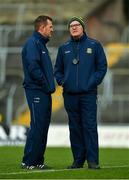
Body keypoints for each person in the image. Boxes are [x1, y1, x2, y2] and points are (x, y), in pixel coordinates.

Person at [54, 16, 107, 169]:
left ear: (83, 28)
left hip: (88, 94)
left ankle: (93, 160)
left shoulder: (94, 45)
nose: (74, 27)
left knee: (89, 126)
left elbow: (102, 68)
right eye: (71, 26)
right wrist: (63, 81)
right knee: (74, 127)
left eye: (77, 25)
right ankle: (78, 160)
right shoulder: (63, 48)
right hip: (69, 95)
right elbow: (57, 70)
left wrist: (91, 83)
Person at [21, 15, 55, 170]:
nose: (52, 30)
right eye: (50, 27)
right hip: (36, 90)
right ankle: (29, 162)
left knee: (42, 126)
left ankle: (37, 160)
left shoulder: (41, 44)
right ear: (42, 28)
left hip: (43, 91)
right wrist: (45, 84)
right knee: (38, 125)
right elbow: (33, 68)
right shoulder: (32, 43)